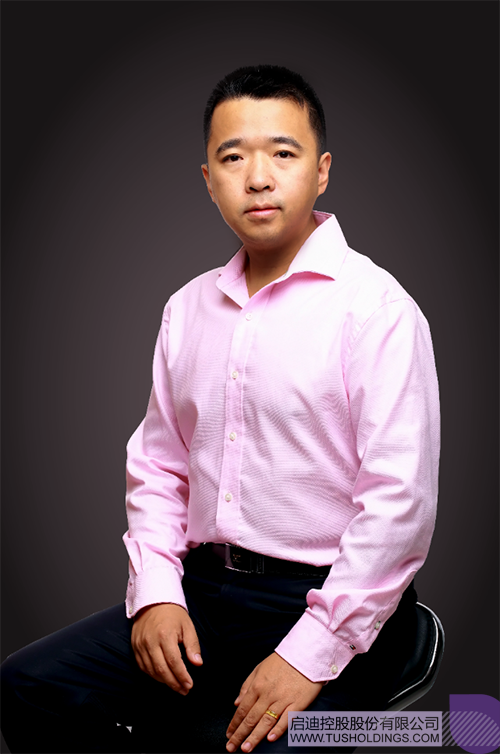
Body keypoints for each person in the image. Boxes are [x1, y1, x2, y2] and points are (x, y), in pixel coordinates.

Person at [0, 65, 440, 754]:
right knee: (27, 684)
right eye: (233, 158)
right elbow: (158, 466)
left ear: (322, 171)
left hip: (329, 601)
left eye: (283, 153)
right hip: (206, 592)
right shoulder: (187, 309)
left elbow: (399, 505)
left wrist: (309, 654)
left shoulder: (377, 310)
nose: (258, 178)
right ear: (209, 179)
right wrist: (157, 592)